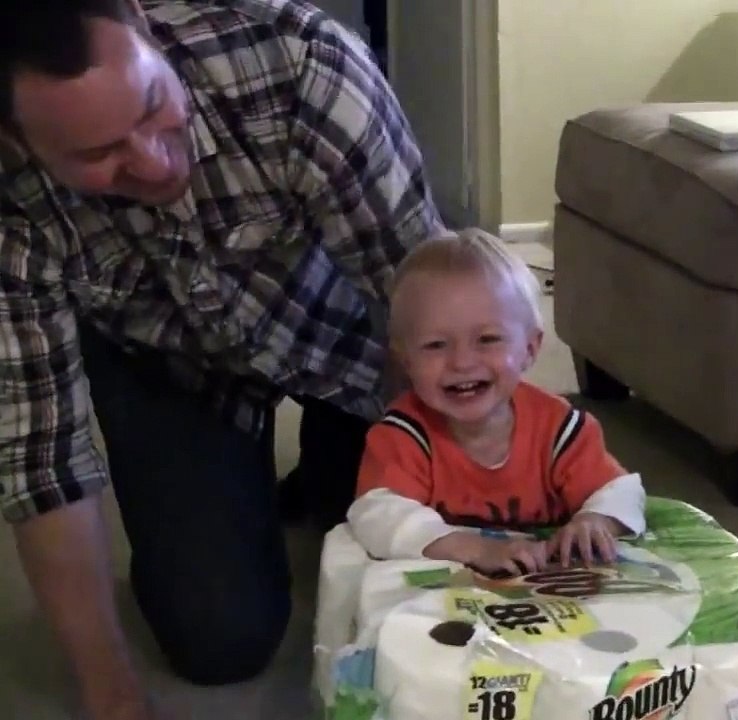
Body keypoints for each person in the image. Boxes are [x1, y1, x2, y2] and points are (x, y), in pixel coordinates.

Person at [0, 0, 444, 717]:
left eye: (152, 104)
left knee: (397, 542)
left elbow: (425, 300)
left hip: (340, 338)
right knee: (219, 640)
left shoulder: (302, 63)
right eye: (95, 154)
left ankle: (331, 454)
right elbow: (43, 463)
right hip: (169, 367)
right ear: (16, 141)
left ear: (142, 21)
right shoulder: (10, 203)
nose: (153, 163)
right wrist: (111, 696)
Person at [347, 228, 646, 577]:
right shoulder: (403, 436)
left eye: (487, 339)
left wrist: (595, 520)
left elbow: (620, 490)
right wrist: (473, 548)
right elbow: (377, 514)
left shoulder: (559, 431)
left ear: (530, 349)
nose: (462, 362)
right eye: (435, 345)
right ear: (405, 360)